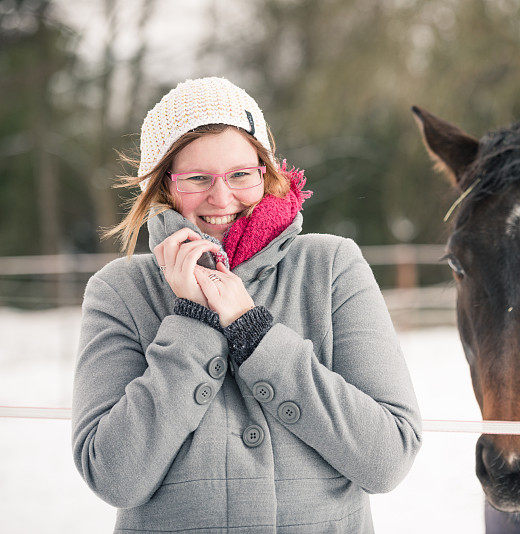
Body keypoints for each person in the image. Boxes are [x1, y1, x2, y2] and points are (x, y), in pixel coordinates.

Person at [71, 76, 422, 533]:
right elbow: (113, 476)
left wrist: (255, 334)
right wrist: (193, 326)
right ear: (163, 188)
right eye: (197, 178)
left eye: (241, 174)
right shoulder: (119, 291)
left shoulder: (331, 267)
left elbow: (387, 457)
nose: (222, 198)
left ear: (265, 171)